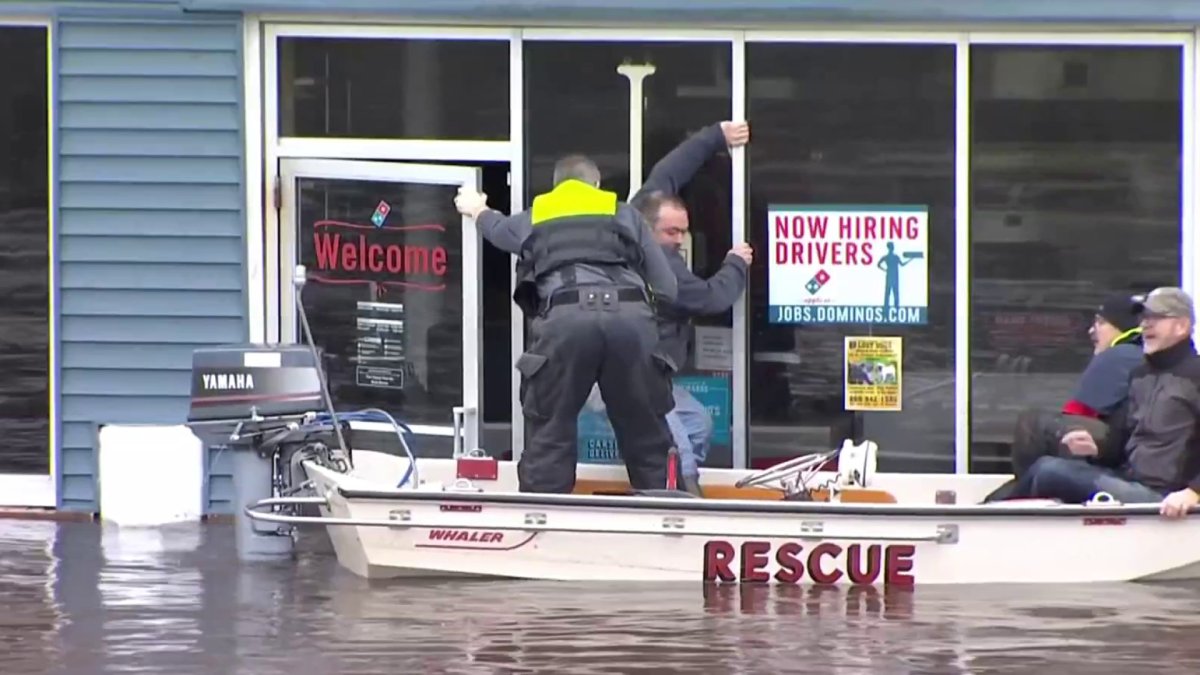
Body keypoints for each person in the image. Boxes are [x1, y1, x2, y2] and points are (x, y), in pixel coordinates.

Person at [453, 155, 679, 494]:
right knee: (646, 432)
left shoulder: (539, 214)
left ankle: (543, 523)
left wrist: (478, 209)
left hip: (565, 319)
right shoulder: (625, 214)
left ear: (556, 187)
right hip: (631, 320)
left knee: (550, 430)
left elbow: (499, 231)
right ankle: (670, 518)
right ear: (597, 185)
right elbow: (667, 289)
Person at [624, 120, 753, 494]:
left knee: (697, 423)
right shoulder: (662, 267)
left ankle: (667, 489)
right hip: (629, 376)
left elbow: (667, 173)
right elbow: (713, 297)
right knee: (675, 448)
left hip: (652, 375)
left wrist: (714, 136)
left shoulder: (638, 215)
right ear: (649, 231)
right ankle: (684, 506)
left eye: (683, 232)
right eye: (672, 233)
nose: (679, 240)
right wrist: (736, 263)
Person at [1009, 287, 1200, 519]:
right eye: (1144, 318)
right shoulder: (1140, 375)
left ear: (1181, 326)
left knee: (1049, 471)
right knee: (1049, 463)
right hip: (1128, 483)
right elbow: (1121, 442)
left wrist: (1192, 493)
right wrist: (1096, 449)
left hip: (1162, 500)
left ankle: (981, 522)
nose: (1145, 325)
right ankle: (987, 512)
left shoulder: (1195, 376)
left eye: (1156, 318)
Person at [982, 293, 1144, 502]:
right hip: (1129, 446)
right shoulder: (1143, 354)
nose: (1091, 331)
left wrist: (1067, 431)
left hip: (1117, 450)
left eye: (1101, 323)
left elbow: (1078, 413)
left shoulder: (1120, 354)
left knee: (1033, 423)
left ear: (1123, 326)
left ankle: (1026, 493)